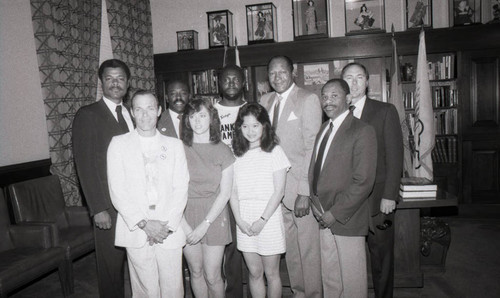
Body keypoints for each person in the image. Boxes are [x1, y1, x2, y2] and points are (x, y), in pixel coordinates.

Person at [107, 90, 189, 297]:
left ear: (159, 110)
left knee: (173, 288)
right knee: (145, 290)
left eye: (150, 108)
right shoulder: (118, 144)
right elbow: (118, 190)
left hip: (168, 229)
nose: (145, 115)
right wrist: (144, 224)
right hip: (136, 230)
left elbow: (181, 188)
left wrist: (166, 225)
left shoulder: (174, 145)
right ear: (132, 112)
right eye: (139, 109)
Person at [260, 56, 323, 298]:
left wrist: (305, 192)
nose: (277, 77)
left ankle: (314, 294)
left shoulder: (308, 99)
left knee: (308, 250)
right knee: (292, 251)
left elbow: (312, 148)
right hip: (275, 191)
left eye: (282, 72)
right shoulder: (264, 101)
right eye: (272, 73)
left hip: (298, 189)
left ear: (292, 72)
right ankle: (299, 293)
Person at [310, 79, 377, 297]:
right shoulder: (323, 129)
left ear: (348, 99)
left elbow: (364, 181)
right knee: (330, 278)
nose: (327, 101)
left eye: (334, 96)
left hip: (346, 218)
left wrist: (335, 213)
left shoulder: (362, 130)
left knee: (352, 282)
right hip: (322, 214)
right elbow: (317, 170)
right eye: (324, 96)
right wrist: (316, 204)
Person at [72, 58, 134, 298]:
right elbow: (85, 166)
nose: (115, 83)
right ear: (101, 82)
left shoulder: (131, 114)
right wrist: (97, 208)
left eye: (120, 79)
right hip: (107, 206)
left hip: (134, 203)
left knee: (136, 263)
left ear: (127, 83)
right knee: (110, 266)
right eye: (109, 79)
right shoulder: (87, 115)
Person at [341, 62, 403, 298]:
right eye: (348, 77)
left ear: (367, 82)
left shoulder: (385, 111)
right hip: (347, 201)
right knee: (350, 260)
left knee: (381, 258)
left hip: (378, 200)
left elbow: (395, 155)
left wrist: (390, 194)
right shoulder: (334, 112)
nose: (354, 82)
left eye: (359, 77)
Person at [230, 103, 291, 298]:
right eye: (245, 126)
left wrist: (262, 220)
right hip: (244, 218)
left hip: (268, 218)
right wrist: (239, 220)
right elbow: (233, 191)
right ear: (239, 128)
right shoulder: (236, 155)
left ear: (264, 126)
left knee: (271, 273)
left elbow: (279, 191)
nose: (250, 131)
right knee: (254, 273)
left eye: (255, 125)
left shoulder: (275, 151)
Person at [179, 99, 234, 298]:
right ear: (187, 120)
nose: (197, 121)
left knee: (212, 276)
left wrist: (205, 224)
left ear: (211, 118)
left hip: (215, 215)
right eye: (192, 116)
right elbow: (173, 190)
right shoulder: (179, 149)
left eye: (202, 115)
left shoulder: (223, 150)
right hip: (185, 215)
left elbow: (225, 193)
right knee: (195, 271)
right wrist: (183, 224)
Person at [213, 65, 247, 298]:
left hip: (247, 185)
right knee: (225, 245)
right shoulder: (210, 111)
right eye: (227, 79)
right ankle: (231, 292)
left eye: (236, 79)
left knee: (244, 243)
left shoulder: (253, 109)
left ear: (243, 82)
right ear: (219, 83)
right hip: (219, 187)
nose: (232, 83)